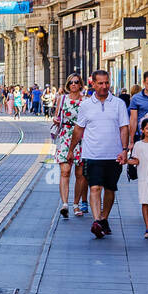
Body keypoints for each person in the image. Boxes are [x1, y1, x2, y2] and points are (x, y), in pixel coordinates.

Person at [67, 69, 130, 239]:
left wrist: (125, 150)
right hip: (92, 154)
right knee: (95, 187)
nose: (104, 86)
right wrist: (71, 149)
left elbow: (124, 127)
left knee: (110, 189)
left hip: (113, 155)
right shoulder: (86, 105)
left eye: (106, 83)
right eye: (100, 83)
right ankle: (97, 221)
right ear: (93, 84)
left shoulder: (118, 104)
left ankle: (104, 218)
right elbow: (79, 129)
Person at [52, 73, 88, 219]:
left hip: (82, 137)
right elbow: (57, 116)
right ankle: (65, 204)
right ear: (68, 84)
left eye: (76, 82)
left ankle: (76, 204)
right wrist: (56, 120)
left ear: (80, 84)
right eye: (71, 82)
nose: (73, 84)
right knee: (65, 171)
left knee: (80, 174)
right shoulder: (62, 99)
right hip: (65, 136)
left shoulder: (86, 101)